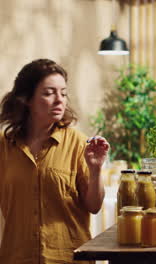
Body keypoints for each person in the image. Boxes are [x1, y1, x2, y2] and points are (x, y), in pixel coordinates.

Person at [0, 59, 110, 263]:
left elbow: (94, 206)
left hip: (67, 258)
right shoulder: (4, 146)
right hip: (16, 257)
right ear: (26, 99)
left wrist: (95, 171)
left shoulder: (78, 143)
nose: (60, 100)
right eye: (49, 93)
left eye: (64, 93)